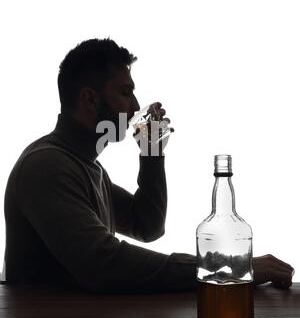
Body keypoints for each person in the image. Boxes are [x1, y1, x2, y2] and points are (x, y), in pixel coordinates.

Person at [2, 38, 294, 293]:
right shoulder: (46, 166)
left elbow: (147, 226)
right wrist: (229, 268)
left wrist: (151, 152)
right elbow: (103, 265)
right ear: (90, 99)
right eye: (125, 93)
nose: (135, 107)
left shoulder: (89, 170)